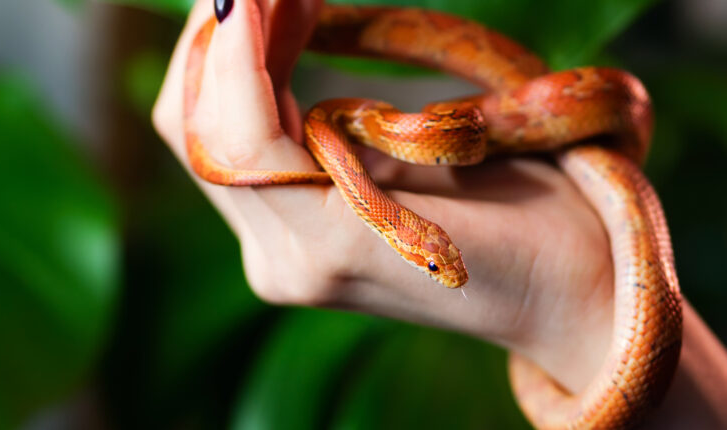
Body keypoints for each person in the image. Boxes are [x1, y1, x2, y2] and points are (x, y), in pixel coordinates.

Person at [153, 0, 727, 427]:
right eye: (435, 265)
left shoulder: (370, 150)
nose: (449, 268)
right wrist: (560, 298)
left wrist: (562, 298)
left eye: (437, 259)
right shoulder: (360, 153)